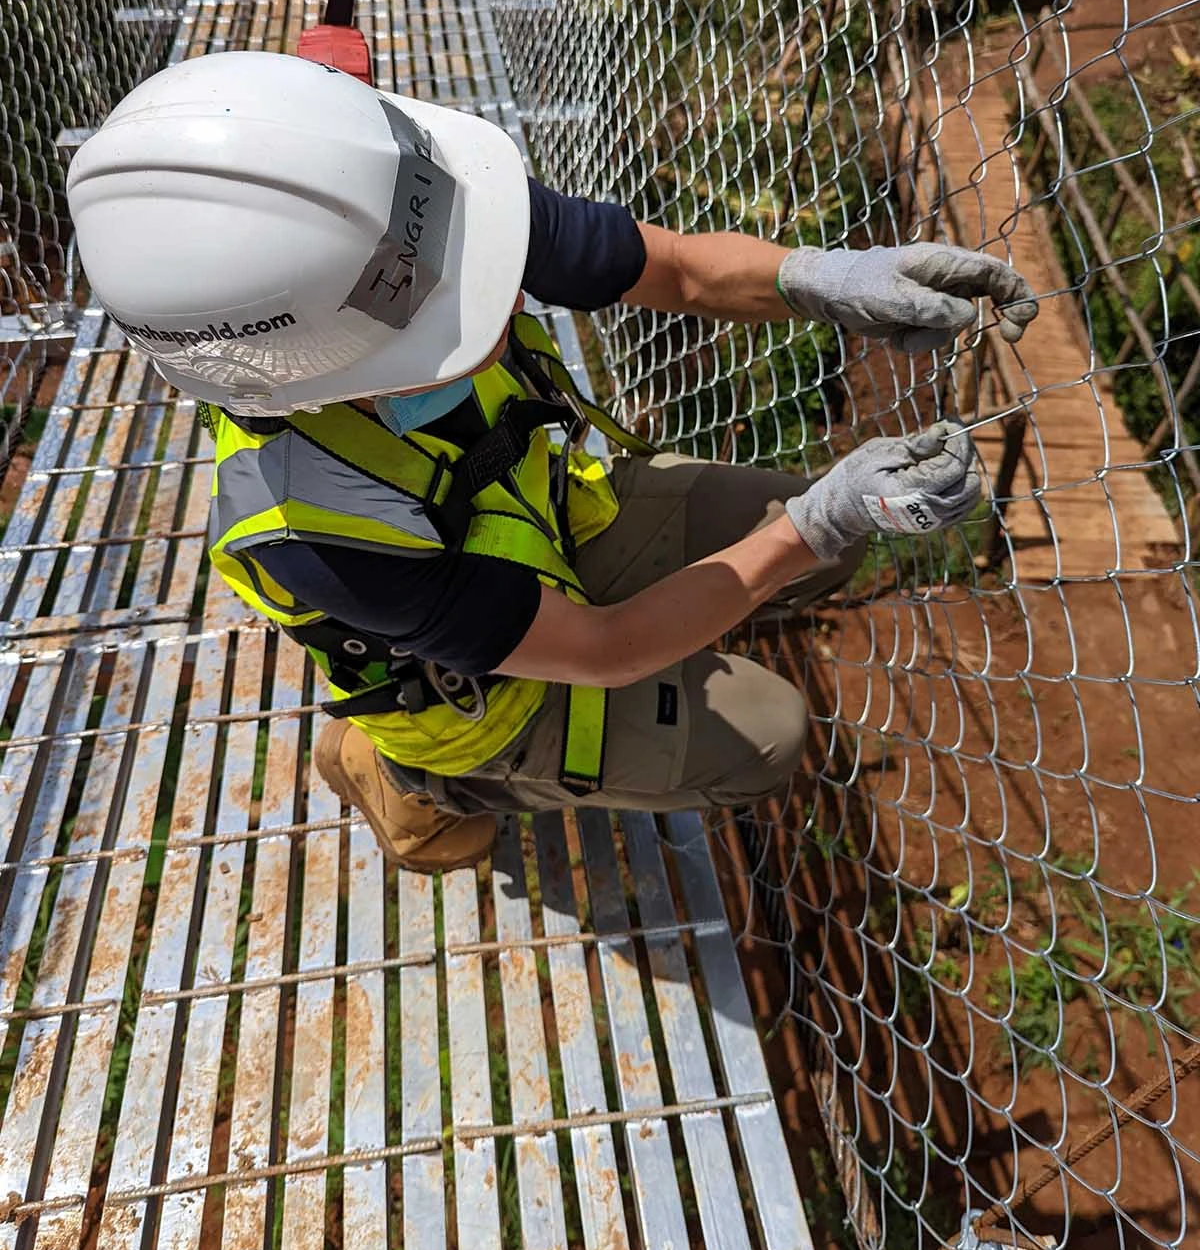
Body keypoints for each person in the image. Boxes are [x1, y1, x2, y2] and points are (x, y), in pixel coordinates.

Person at [66, 51, 1037, 871]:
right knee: (771, 731)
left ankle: (697, 629)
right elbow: (605, 651)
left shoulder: (420, 222)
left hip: (546, 523)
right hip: (481, 699)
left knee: (815, 548)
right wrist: (822, 515)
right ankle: (412, 780)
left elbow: (682, 269)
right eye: (438, 321)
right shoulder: (316, 533)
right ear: (303, 375)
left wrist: (827, 277)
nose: (489, 292)